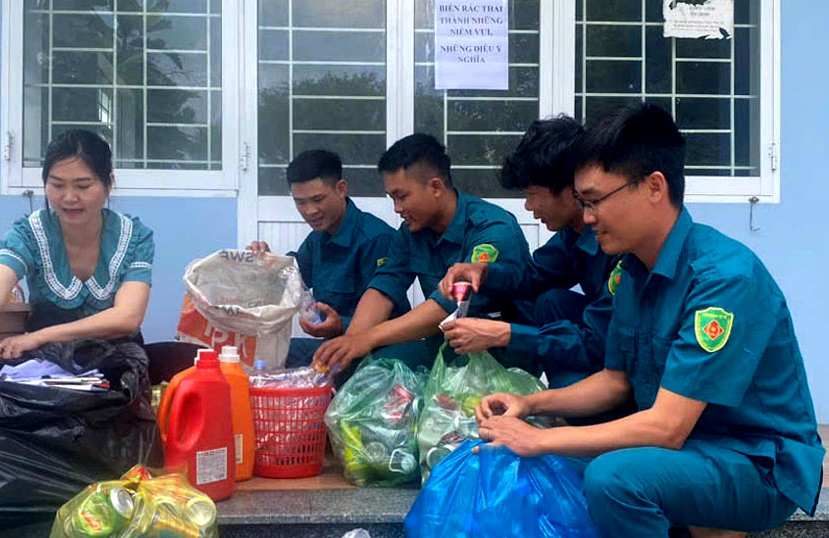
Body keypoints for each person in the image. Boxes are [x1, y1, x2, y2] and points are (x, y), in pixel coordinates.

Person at [474, 104, 824, 538]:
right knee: (551, 464)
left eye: (594, 200)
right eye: (580, 201)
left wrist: (541, 436)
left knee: (615, 477)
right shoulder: (631, 270)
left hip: (758, 463)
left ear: (653, 187)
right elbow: (615, 381)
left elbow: (663, 427)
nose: (585, 217)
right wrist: (530, 407)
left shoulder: (723, 278)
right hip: (698, 451)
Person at [0, 129, 154, 402]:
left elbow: (127, 317)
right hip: (44, 367)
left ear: (108, 185)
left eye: (83, 186)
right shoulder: (30, 234)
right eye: (57, 185)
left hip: (113, 368)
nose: (69, 197)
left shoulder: (135, 237)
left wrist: (39, 337)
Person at [313, 133, 532, 374]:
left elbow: (449, 304)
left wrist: (369, 338)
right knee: (371, 369)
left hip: (503, 356)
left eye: (402, 196)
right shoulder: (411, 232)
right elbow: (384, 287)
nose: (397, 208)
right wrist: (350, 344)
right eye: (392, 198)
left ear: (436, 186)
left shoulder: (491, 228)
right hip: (446, 345)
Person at [436, 116, 621, 389]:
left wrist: (506, 334)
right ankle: (568, 399)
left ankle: (577, 409)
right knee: (552, 301)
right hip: (606, 336)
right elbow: (534, 275)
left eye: (533, 194)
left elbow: (600, 338)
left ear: (572, 190)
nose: (529, 207)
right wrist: (485, 272)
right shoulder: (573, 233)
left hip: (623, 352)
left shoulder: (621, 242)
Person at [245, 149, 411, 371]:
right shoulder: (317, 239)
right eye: (300, 202)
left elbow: (385, 317)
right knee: (263, 356)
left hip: (378, 355)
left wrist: (340, 326)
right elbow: (291, 279)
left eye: (317, 199)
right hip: (334, 347)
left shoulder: (376, 239)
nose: (310, 211)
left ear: (341, 188)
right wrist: (265, 263)